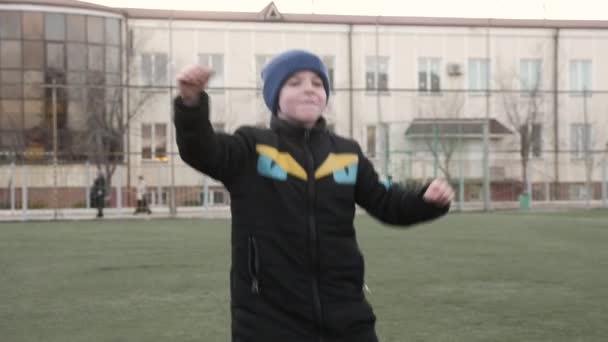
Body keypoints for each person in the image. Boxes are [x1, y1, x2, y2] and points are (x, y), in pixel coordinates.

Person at [174, 49, 454, 342]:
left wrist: (426, 201)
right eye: (294, 82)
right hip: (267, 319)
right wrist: (191, 104)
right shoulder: (251, 147)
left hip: (346, 316)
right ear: (275, 96)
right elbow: (201, 150)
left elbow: (387, 204)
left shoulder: (346, 153)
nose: (309, 89)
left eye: (317, 83)